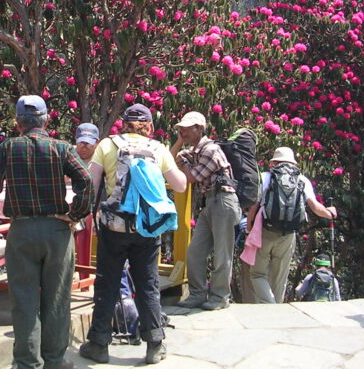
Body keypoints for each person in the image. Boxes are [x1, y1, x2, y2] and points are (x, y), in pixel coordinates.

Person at [0, 95, 93, 369]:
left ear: (17, 123)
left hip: (22, 231)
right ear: (46, 120)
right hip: (57, 231)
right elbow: (85, 180)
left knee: (24, 299)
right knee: (58, 299)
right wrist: (75, 215)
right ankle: (55, 360)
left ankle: (27, 362)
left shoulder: (7, 148)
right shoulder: (62, 149)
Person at [79, 103, 186, 365]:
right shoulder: (158, 149)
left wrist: (83, 216)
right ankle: (154, 345)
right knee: (147, 283)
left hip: (114, 227)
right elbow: (181, 185)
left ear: (123, 123)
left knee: (107, 282)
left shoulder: (107, 145)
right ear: (149, 126)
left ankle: (99, 344)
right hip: (146, 229)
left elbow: (91, 186)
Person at [170, 111, 241, 310]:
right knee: (195, 252)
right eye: (180, 128)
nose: (183, 131)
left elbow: (191, 178)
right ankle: (198, 295)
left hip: (223, 201)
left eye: (187, 128)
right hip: (209, 203)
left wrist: (183, 164)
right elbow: (168, 159)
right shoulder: (193, 151)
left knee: (222, 253)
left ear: (200, 129)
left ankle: (220, 297)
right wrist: (178, 142)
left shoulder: (210, 150)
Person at [248, 147, 336, 304]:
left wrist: (249, 227)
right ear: (293, 163)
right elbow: (315, 207)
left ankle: (269, 305)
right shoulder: (302, 180)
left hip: (266, 231)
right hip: (288, 234)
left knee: (257, 274)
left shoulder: (265, 177)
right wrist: (330, 213)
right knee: (280, 277)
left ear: (273, 163)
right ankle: (276, 312)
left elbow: (254, 206)